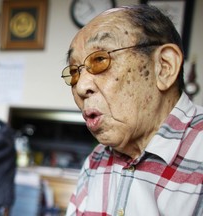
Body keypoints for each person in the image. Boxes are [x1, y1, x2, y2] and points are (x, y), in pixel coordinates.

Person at [61, 4, 203, 216]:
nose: (80, 87)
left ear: (164, 66)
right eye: (74, 71)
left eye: (100, 59)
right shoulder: (96, 160)